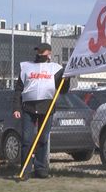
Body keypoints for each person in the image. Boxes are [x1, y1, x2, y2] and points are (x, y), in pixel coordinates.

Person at [13, 43, 69, 180]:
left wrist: (67, 79)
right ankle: (25, 170)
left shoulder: (55, 69)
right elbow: (18, 89)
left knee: (43, 138)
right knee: (26, 139)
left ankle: (41, 169)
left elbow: (63, 90)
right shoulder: (26, 67)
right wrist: (16, 107)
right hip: (28, 107)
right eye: (38, 51)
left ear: (49, 53)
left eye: (42, 51)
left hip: (47, 107)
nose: (39, 53)